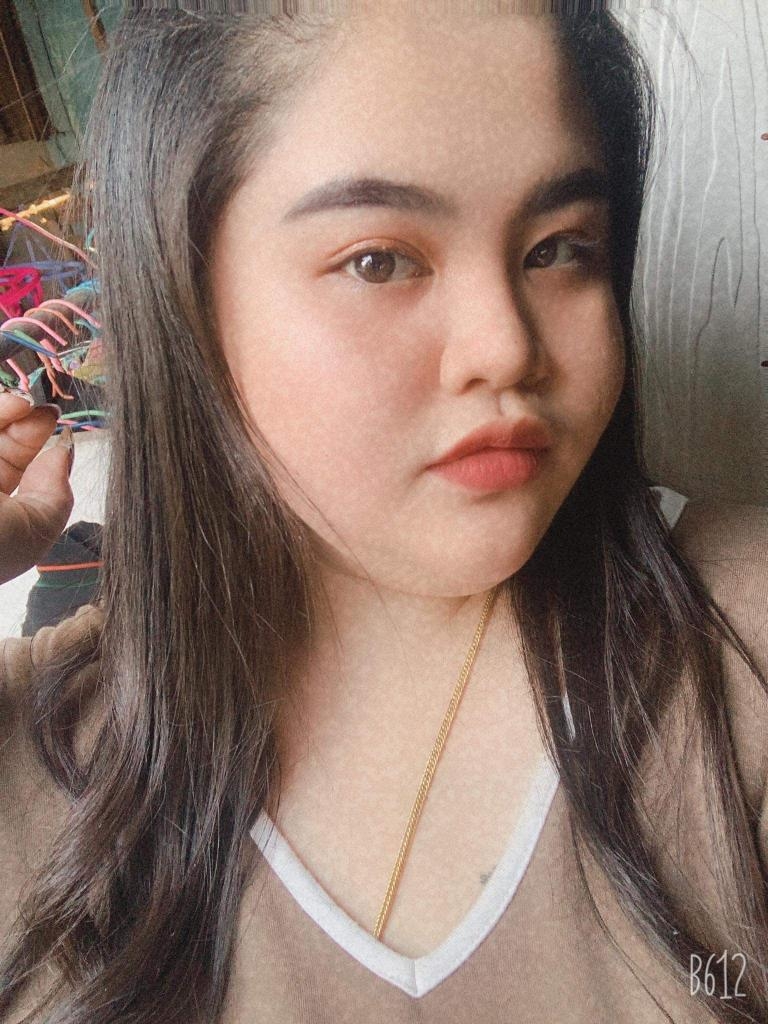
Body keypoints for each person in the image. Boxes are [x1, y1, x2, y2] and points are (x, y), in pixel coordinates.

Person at [0, 3, 766, 1022]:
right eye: (380, 260)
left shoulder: (742, 656)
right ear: (182, 299)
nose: (506, 345)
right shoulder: (40, 753)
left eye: (558, 248)